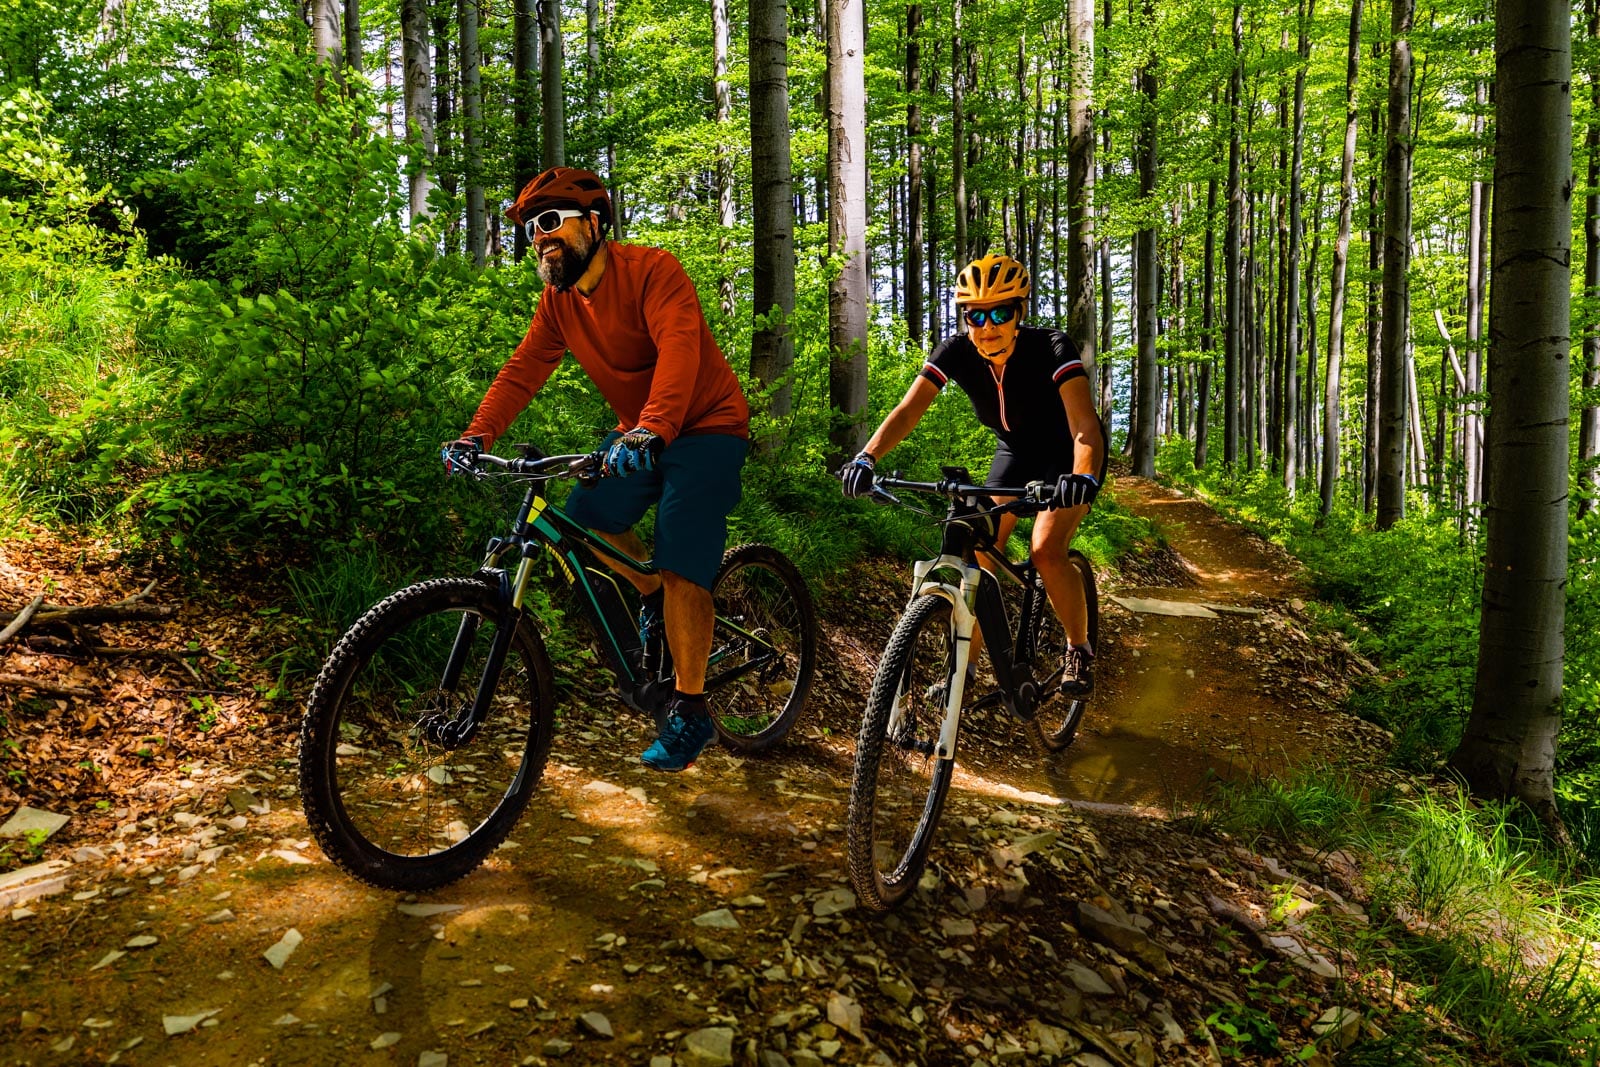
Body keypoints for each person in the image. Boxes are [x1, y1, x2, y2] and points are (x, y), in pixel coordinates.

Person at [444, 166, 750, 772]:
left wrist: (653, 427)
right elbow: (522, 370)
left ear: (595, 223)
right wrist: (475, 436)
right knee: (584, 515)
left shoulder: (654, 272)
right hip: (641, 430)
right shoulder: (558, 303)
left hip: (706, 424)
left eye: (552, 220)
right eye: (533, 227)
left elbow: (679, 349)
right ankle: (651, 591)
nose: (540, 235)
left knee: (681, 550)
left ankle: (691, 710)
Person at [840, 253, 1104, 693]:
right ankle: (965, 669)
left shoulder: (1052, 348)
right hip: (1015, 451)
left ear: (1019, 313)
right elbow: (909, 411)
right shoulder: (957, 352)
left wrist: (1082, 477)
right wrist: (867, 457)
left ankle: (1078, 648)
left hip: (1066, 455)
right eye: (975, 315)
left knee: (1044, 548)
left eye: (1000, 313)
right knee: (981, 550)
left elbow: (1084, 427)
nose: (987, 326)